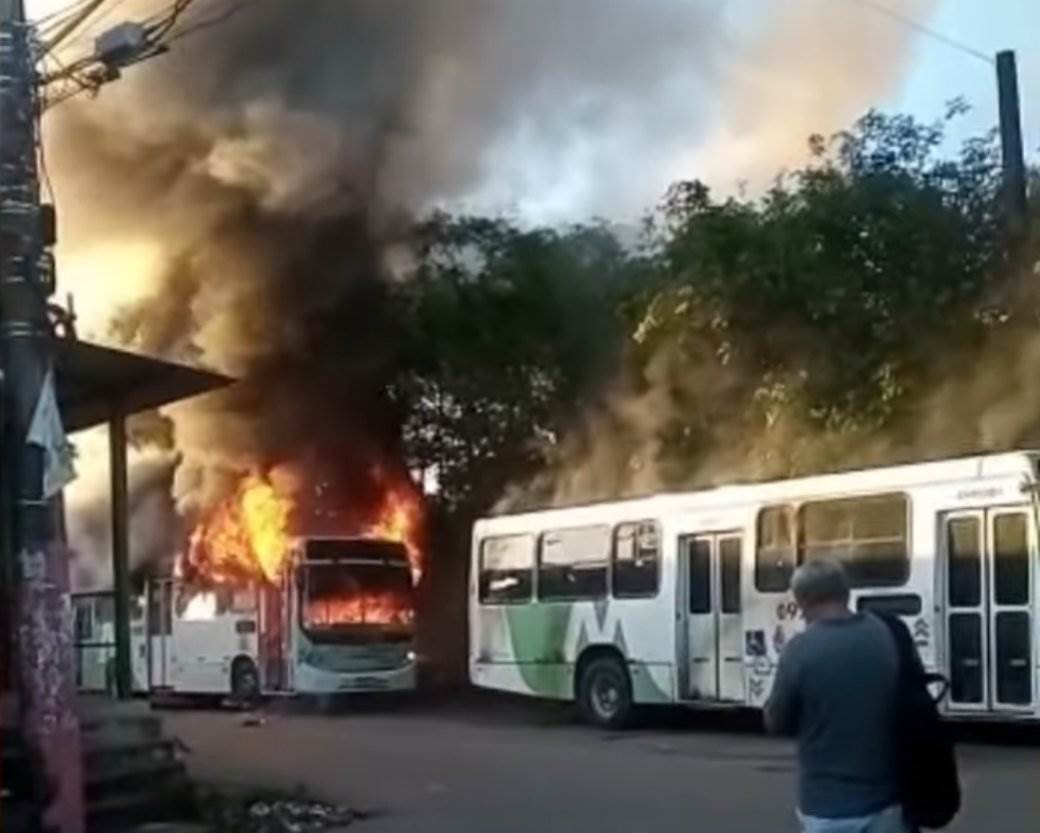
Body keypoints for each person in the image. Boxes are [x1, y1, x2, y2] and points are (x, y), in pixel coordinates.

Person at [764, 559, 908, 833]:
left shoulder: (800, 650)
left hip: (827, 808)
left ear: (802, 600)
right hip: (887, 803)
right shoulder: (881, 633)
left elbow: (776, 722)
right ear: (846, 591)